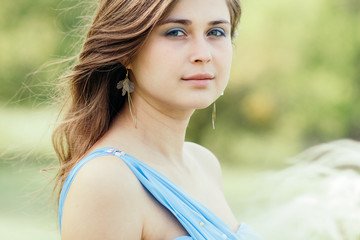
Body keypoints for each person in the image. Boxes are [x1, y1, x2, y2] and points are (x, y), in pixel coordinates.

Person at [53, 0, 263, 239]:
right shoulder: (106, 181)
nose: (203, 55)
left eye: (216, 32)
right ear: (127, 52)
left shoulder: (205, 164)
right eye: (175, 32)